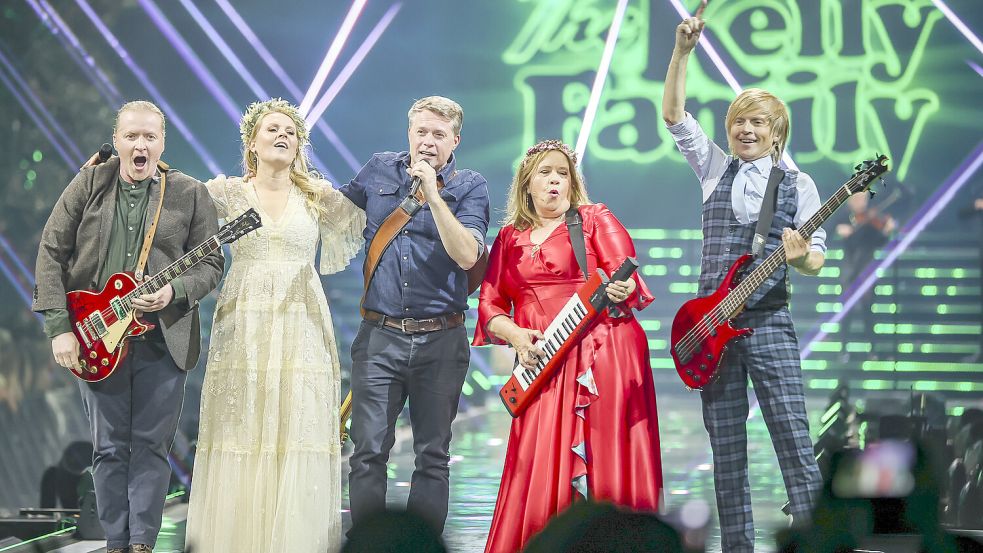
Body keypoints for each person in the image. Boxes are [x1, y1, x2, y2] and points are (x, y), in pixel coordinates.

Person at [662, 4, 826, 551]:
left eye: (757, 122)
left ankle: (817, 540)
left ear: (777, 133)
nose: (745, 128)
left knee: (793, 443)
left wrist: (800, 256)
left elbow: (817, 259)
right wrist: (683, 52)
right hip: (712, 329)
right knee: (726, 452)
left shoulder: (798, 184)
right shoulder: (713, 169)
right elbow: (674, 115)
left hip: (769, 326)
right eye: (739, 120)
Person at [33, 100, 224, 553]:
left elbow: (212, 262)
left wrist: (173, 292)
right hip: (95, 335)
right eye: (132, 136)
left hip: (163, 337)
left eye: (150, 137)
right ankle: (116, 543)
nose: (141, 145)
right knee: (109, 449)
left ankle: (142, 544)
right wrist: (60, 326)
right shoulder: (89, 183)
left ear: (162, 143)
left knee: (152, 447)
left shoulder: (190, 192)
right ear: (116, 140)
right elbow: (51, 251)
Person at [183, 99, 365, 553]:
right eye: (272, 129)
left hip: (302, 325)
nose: (282, 135)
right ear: (252, 144)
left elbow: (374, 218)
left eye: (290, 130)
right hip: (243, 324)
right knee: (241, 430)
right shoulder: (226, 192)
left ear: (300, 144)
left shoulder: (318, 197)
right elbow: (172, 206)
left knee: (296, 432)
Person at [473, 140, 663, 553]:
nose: (555, 179)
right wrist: (517, 335)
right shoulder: (508, 237)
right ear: (527, 184)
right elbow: (489, 305)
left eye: (562, 172)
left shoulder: (594, 219)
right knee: (538, 463)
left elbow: (625, 274)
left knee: (604, 454)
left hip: (601, 353)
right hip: (540, 363)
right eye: (545, 172)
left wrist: (623, 285)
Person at [340, 96, 490, 533]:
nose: (427, 142)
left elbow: (467, 255)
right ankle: (368, 543)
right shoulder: (379, 169)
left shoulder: (469, 186)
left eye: (438, 134)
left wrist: (432, 195)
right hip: (379, 336)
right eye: (421, 132)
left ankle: (422, 545)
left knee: (433, 454)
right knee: (368, 451)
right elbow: (334, 215)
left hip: (441, 339)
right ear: (409, 133)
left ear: (454, 140)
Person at [835, 192, 896, 361]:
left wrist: (887, 231)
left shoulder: (872, 220)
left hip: (866, 270)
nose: (860, 202)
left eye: (863, 198)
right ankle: (843, 349)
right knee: (846, 311)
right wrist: (840, 230)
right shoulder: (844, 217)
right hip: (849, 270)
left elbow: (880, 241)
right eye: (856, 198)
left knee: (868, 310)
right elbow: (830, 233)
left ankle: (872, 349)